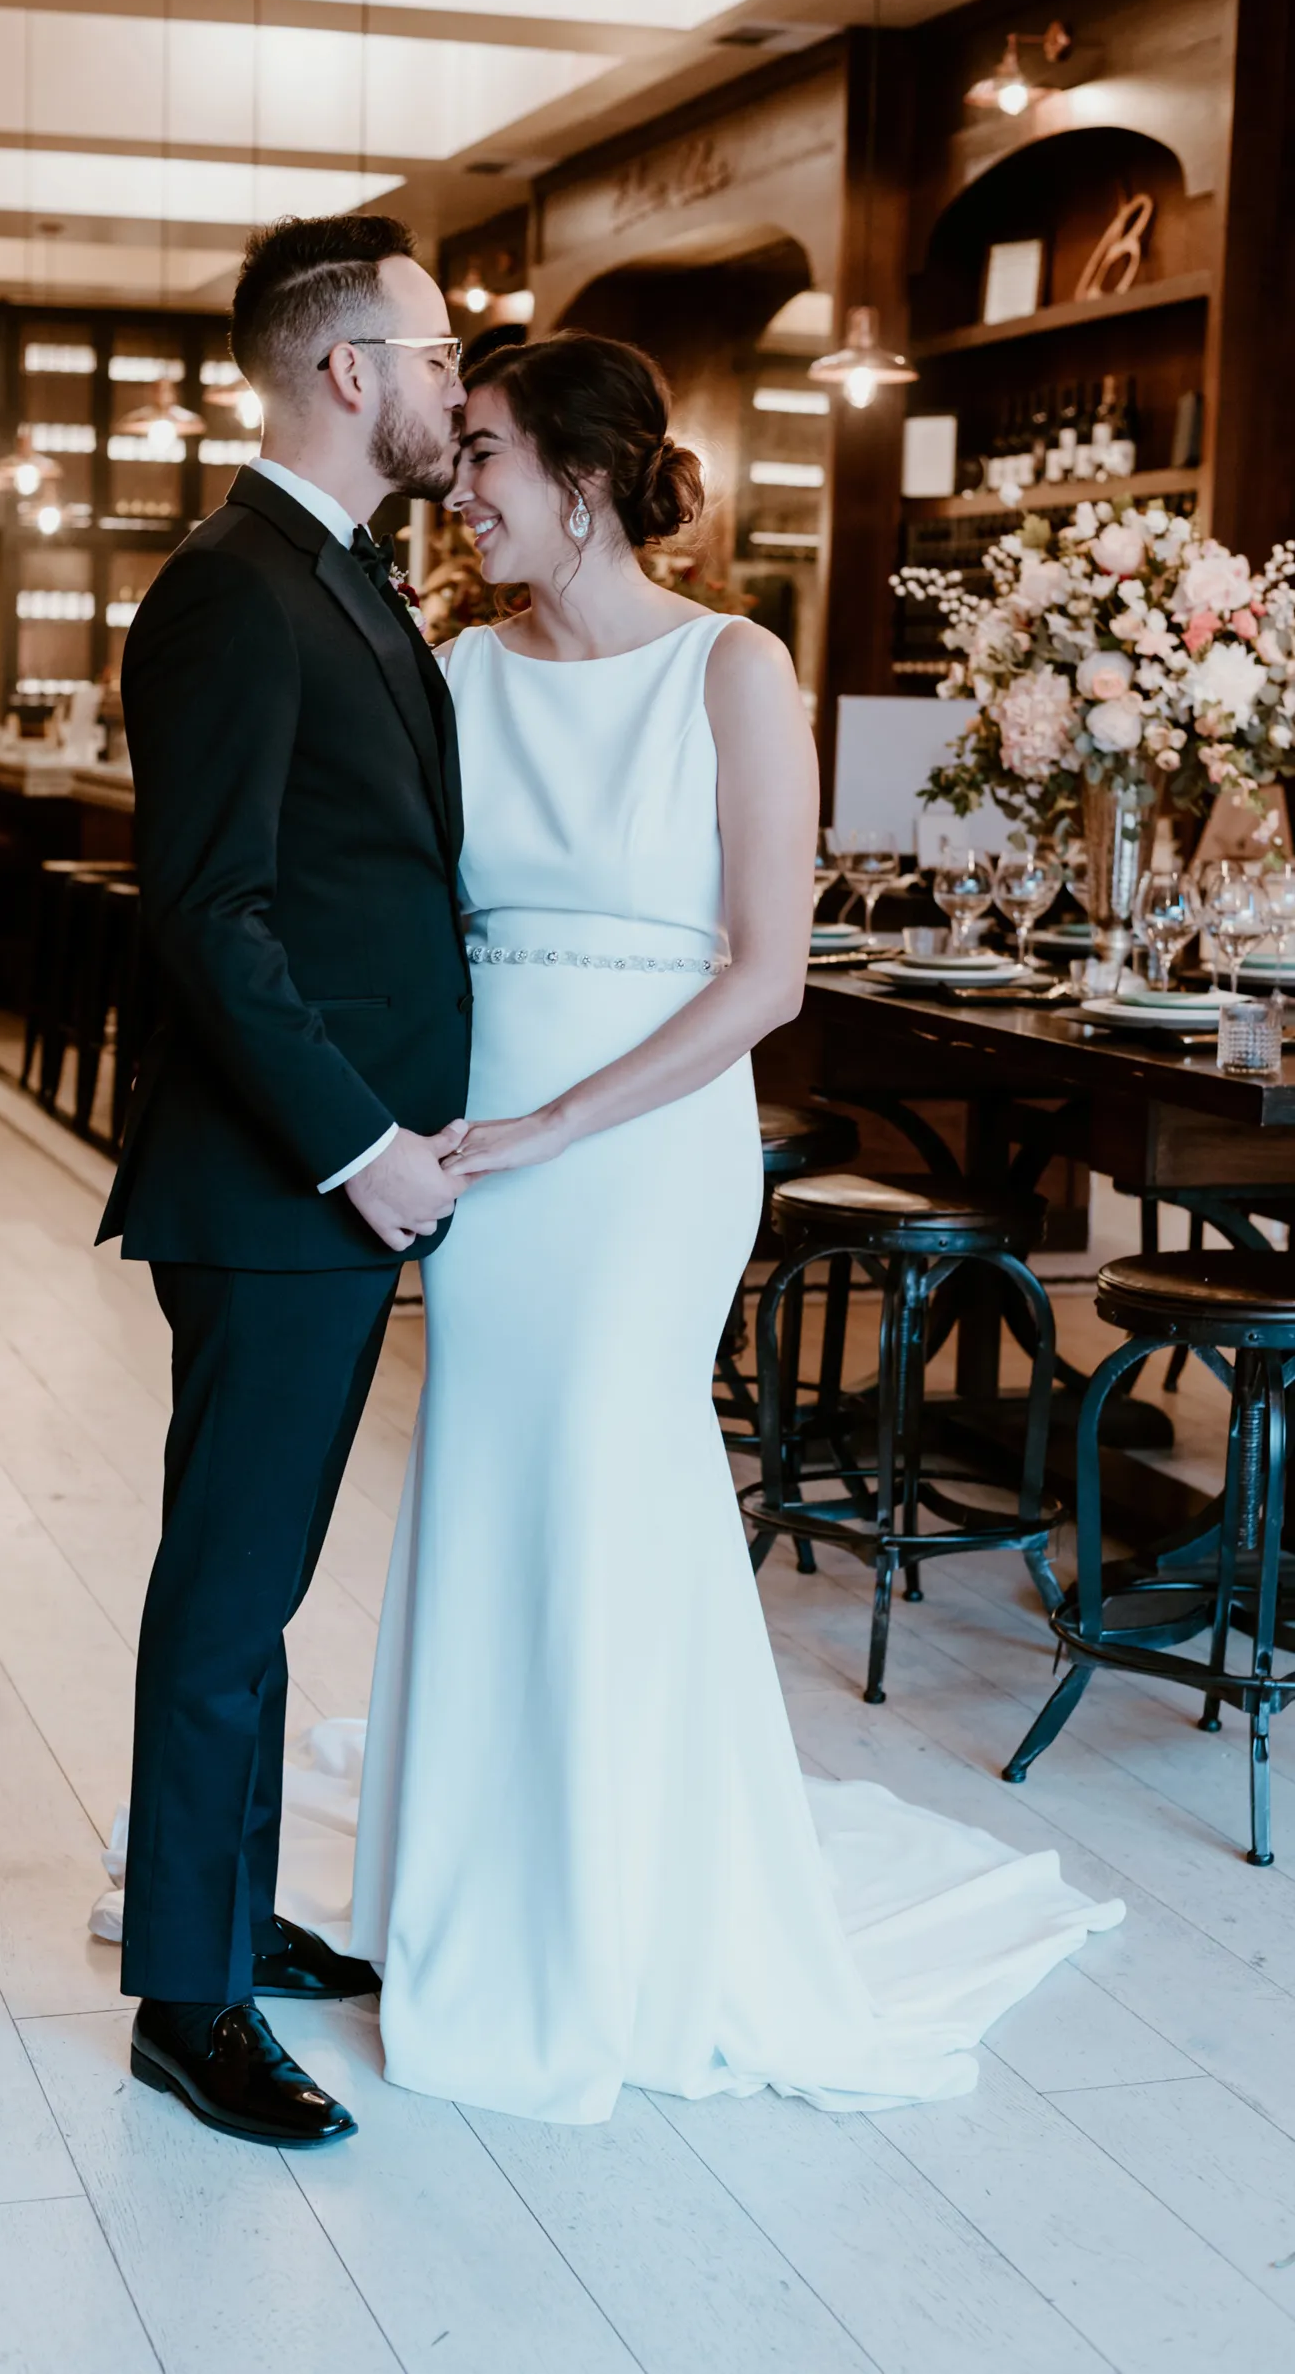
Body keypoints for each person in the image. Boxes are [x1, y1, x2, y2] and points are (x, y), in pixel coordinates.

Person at [301, 331, 1122, 2123]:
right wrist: (420, 1125)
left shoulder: (733, 669)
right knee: (487, 1489)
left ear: (584, 480)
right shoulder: (457, 672)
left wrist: (556, 1125)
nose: (462, 482)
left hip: (643, 1148)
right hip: (482, 1151)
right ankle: (476, 1900)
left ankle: (621, 1918)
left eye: (492, 452)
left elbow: (766, 975)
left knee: (615, 1475)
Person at [96, 213, 473, 2146]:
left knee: (261, 1584)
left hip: (325, 1186)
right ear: (350, 369)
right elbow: (212, 918)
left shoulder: (342, 580)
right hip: (277, 1190)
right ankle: (187, 1995)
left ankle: (225, 1916)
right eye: (437, 347)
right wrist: (360, 1145)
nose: (458, 381)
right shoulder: (235, 589)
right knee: (230, 1596)